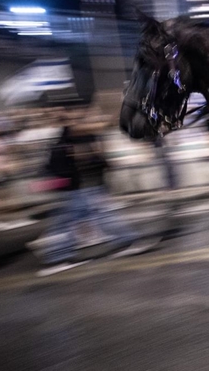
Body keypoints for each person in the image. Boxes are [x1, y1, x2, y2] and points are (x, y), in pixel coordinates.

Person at [28, 112, 160, 276]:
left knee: (77, 221)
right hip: (75, 190)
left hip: (86, 188)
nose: (90, 124)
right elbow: (62, 169)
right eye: (84, 121)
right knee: (80, 221)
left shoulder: (84, 139)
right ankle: (57, 258)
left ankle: (58, 257)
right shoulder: (63, 145)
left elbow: (98, 162)